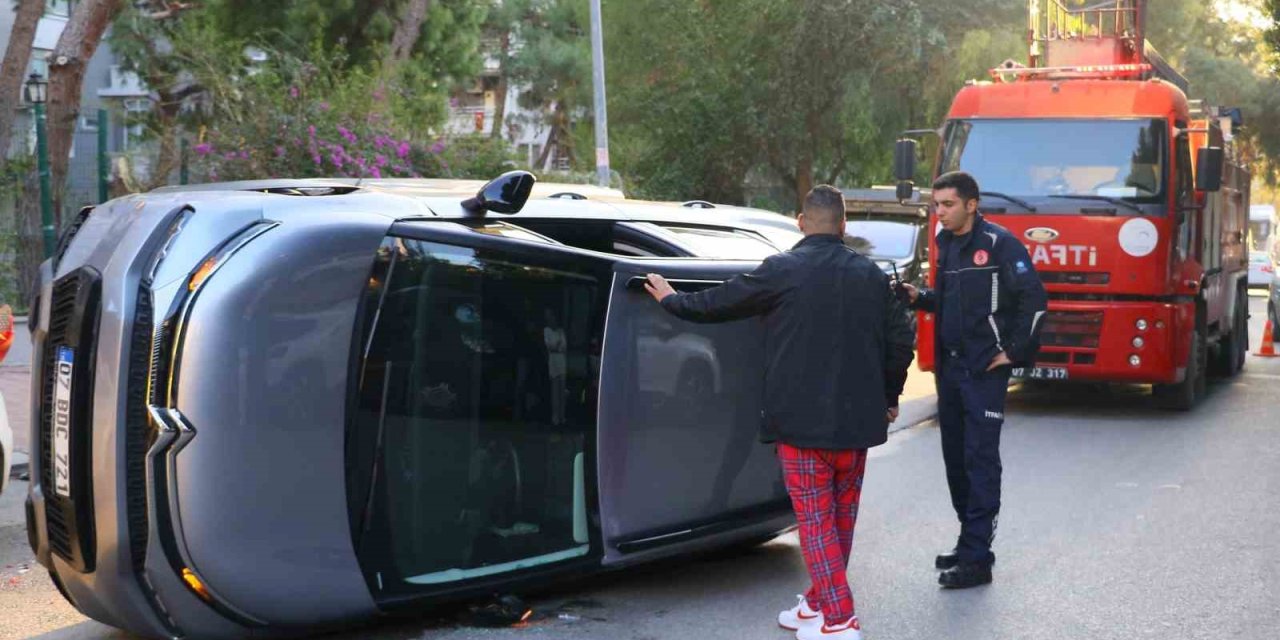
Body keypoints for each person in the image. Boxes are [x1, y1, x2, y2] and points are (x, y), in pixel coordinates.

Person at [644, 185, 914, 640]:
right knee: (840, 520)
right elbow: (900, 343)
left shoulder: (783, 270)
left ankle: (840, 620)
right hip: (858, 427)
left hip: (802, 427)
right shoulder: (872, 276)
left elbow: (719, 303)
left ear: (801, 222)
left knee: (815, 524)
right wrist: (890, 396)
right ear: (844, 225)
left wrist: (671, 298)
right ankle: (815, 605)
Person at [899, 171, 1048, 589]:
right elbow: (946, 302)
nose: (939, 212)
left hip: (984, 373)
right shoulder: (945, 245)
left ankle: (977, 560)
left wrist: (1013, 352)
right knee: (956, 462)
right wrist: (918, 297)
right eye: (936, 205)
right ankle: (971, 542)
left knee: (980, 461)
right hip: (950, 372)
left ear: (971, 204)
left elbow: (1034, 300)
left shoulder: (1000, 245)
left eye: (947, 205)